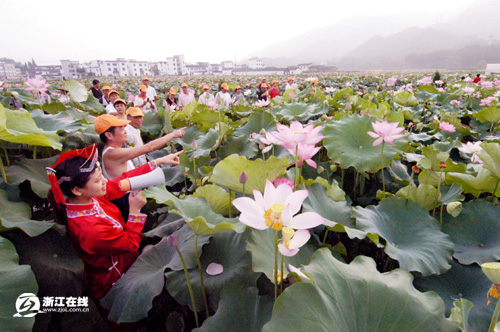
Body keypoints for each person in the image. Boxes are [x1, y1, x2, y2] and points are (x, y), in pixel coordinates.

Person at [46, 144, 182, 330]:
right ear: (77, 190)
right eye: (97, 180)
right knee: (125, 322)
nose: (104, 181)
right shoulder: (88, 229)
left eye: (101, 175)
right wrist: (134, 211)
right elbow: (131, 243)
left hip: (126, 263)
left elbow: (118, 184)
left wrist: (157, 162)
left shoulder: (88, 197)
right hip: (112, 281)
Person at [94, 114, 185, 180]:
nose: (125, 132)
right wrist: (172, 134)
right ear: (109, 135)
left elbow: (134, 172)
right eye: (121, 129)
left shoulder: (114, 150)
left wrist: (161, 160)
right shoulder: (112, 153)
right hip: (125, 200)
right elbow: (149, 147)